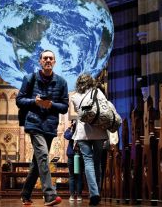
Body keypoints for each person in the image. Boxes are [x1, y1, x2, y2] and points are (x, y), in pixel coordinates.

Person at [16, 50, 69, 206]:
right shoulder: (29, 78)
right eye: (45, 58)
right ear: (40, 61)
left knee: (37, 161)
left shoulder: (62, 82)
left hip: (50, 126)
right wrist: (35, 102)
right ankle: (49, 195)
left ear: (54, 62)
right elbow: (19, 100)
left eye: (50, 58)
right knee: (44, 156)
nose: (47, 60)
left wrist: (51, 105)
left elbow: (65, 107)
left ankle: (25, 194)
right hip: (34, 123)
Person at [71, 73, 108, 206]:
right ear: (91, 82)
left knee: (88, 161)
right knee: (97, 163)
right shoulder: (98, 92)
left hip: (83, 133)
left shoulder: (75, 97)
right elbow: (105, 107)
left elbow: (78, 113)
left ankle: (94, 193)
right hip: (99, 131)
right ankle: (96, 191)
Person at [64, 119, 83, 203]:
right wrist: (71, 129)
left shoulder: (82, 130)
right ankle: (72, 195)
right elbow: (67, 136)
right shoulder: (70, 129)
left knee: (79, 176)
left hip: (79, 155)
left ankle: (79, 195)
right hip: (71, 156)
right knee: (71, 176)